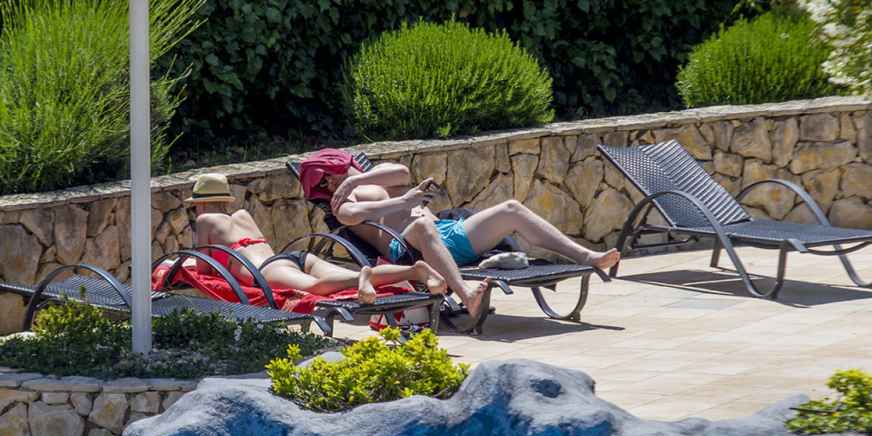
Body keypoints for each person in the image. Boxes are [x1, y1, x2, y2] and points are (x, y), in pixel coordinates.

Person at [297, 152, 619, 322]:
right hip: (409, 249)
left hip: (448, 234)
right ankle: (467, 296)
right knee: (422, 226)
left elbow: (402, 173)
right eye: (326, 180)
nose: (332, 181)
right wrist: (405, 201)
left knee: (511, 208)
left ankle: (588, 257)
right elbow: (353, 215)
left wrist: (355, 180)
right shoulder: (342, 205)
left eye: (334, 174)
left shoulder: (369, 180)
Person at [183, 172, 444, 304]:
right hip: (290, 258)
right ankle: (413, 270)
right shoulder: (242, 215)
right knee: (343, 275)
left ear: (201, 205)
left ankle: (365, 277)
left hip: (267, 271)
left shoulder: (206, 220)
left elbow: (204, 270)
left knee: (317, 288)